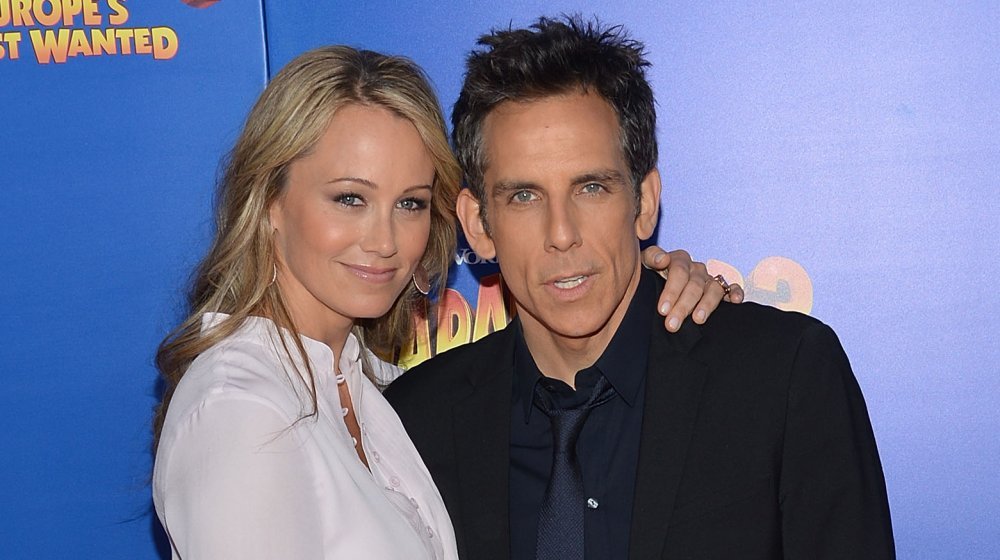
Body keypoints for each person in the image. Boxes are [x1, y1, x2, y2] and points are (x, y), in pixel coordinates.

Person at [152, 45, 737, 559]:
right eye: (350, 199)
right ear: (271, 202)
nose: (383, 241)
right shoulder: (241, 405)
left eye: (408, 203)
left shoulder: (374, 392)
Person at [384, 16, 895, 560]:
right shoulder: (418, 422)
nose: (562, 235)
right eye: (524, 197)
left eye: (592, 187)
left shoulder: (784, 378)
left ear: (645, 201)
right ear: (479, 223)